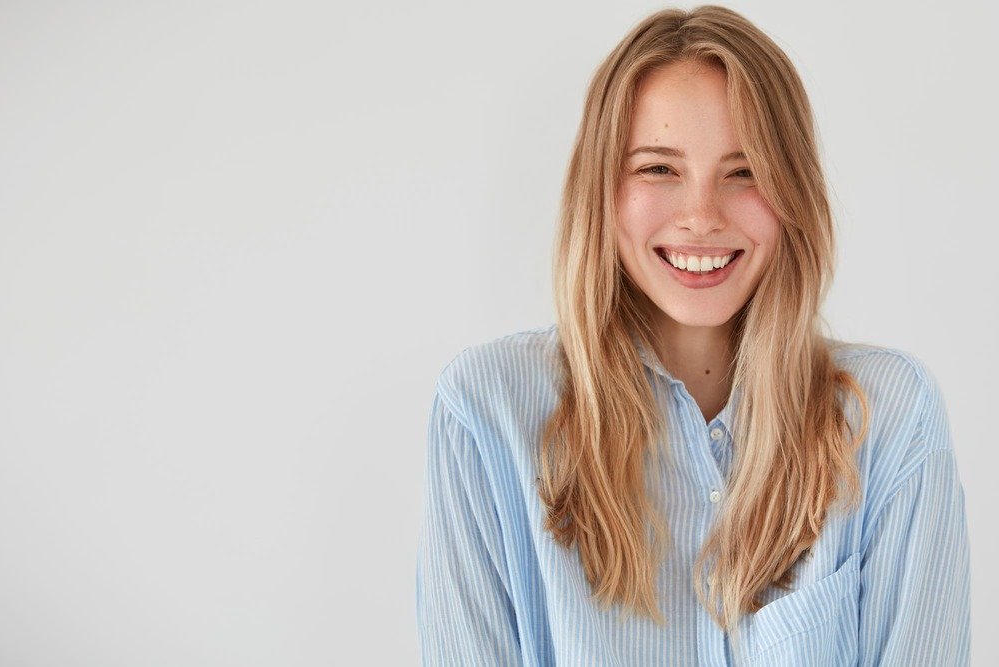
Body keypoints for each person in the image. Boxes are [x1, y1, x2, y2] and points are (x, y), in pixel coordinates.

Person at [414, 5, 971, 666]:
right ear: (604, 191)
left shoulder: (889, 418)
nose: (702, 216)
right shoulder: (487, 412)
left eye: (745, 172)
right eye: (658, 169)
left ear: (793, 193)